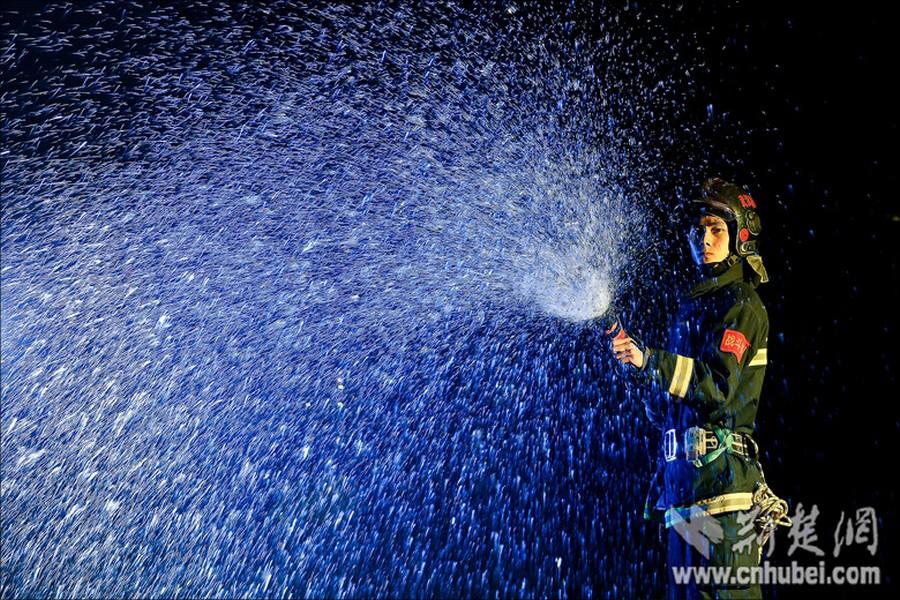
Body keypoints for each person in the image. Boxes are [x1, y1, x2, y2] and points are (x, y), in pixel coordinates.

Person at [610, 178, 786, 599]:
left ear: (740, 237)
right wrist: (637, 367)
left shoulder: (741, 305)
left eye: (716, 229)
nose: (703, 239)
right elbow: (666, 408)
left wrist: (651, 360)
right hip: (683, 498)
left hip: (725, 498)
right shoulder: (691, 308)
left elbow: (717, 387)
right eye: (698, 229)